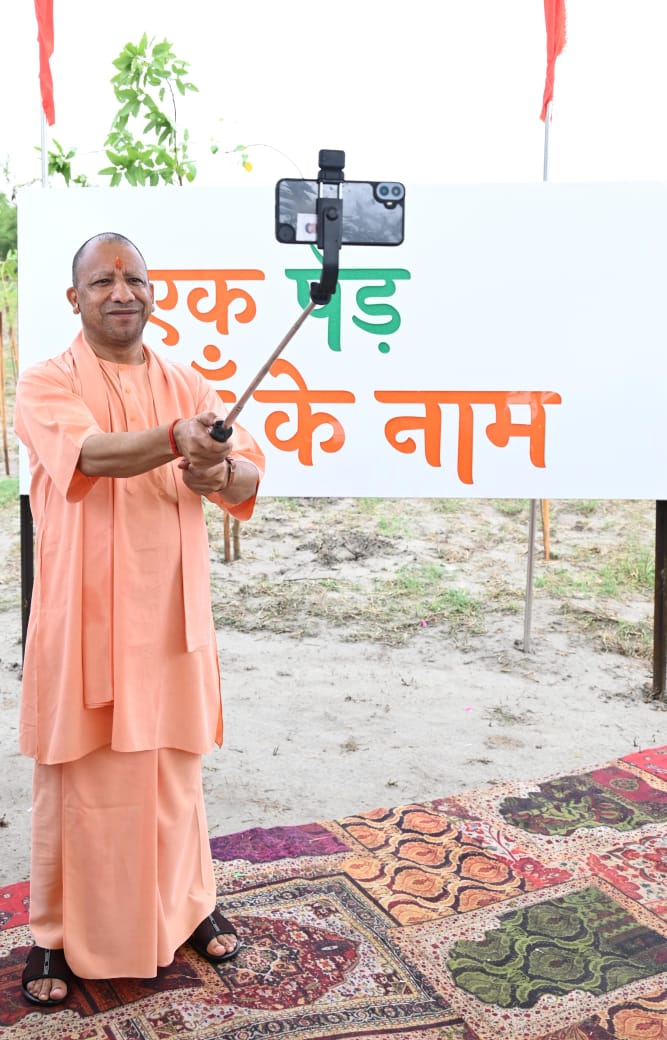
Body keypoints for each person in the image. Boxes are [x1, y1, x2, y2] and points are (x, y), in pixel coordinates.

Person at [14, 231, 266, 1005]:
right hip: (83, 619)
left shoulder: (188, 384)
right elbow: (90, 455)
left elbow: (247, 476)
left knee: (173, 774)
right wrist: (171, 441)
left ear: (153, 293)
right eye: (102, 282)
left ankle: (188, 905)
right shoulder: (45, 382)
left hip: (168, 618)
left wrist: (219, 469)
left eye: (135, 281)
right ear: (75, 298)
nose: (121, 294)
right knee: (77, 778)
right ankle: (56, 934)